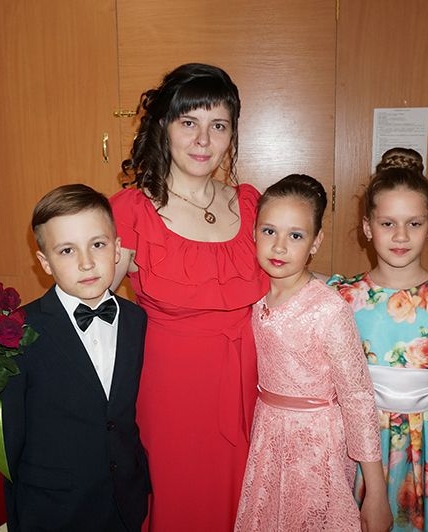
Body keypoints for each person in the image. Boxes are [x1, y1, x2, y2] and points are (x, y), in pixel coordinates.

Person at [109, 63, 269, 531]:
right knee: (179, 504)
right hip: (172, 395)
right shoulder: (130, 210)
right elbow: (86, 304)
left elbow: (294, 286)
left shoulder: (252, 204)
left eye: (218, 125)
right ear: (163, 126)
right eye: (188, 122)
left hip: (252, 388)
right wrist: (12, 356)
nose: (203, 140)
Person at [327, 148, 428, 532]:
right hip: (354, 452)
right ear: (368, 227)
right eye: (388, 223)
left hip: (427, 451)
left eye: (414, 223)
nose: (400, 236)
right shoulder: (342, 299)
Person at [0, 184, 151, 531]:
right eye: (67, 250)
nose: (86, 263)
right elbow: (9, 438)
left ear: (118, 249)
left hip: (125, 499)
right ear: (45, 262)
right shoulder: (19, 332)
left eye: (98, 245)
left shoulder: (137, 320)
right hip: (52, 507)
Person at [234, 174, 392, 532]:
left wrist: (376, 490)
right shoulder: (252, 296)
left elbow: (357, 397)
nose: (279, 247)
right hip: (266, 433)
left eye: (296, 236)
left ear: (315, 241)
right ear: (254, 233)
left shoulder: (329, 309)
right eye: (269, 231)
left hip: (316, 444)